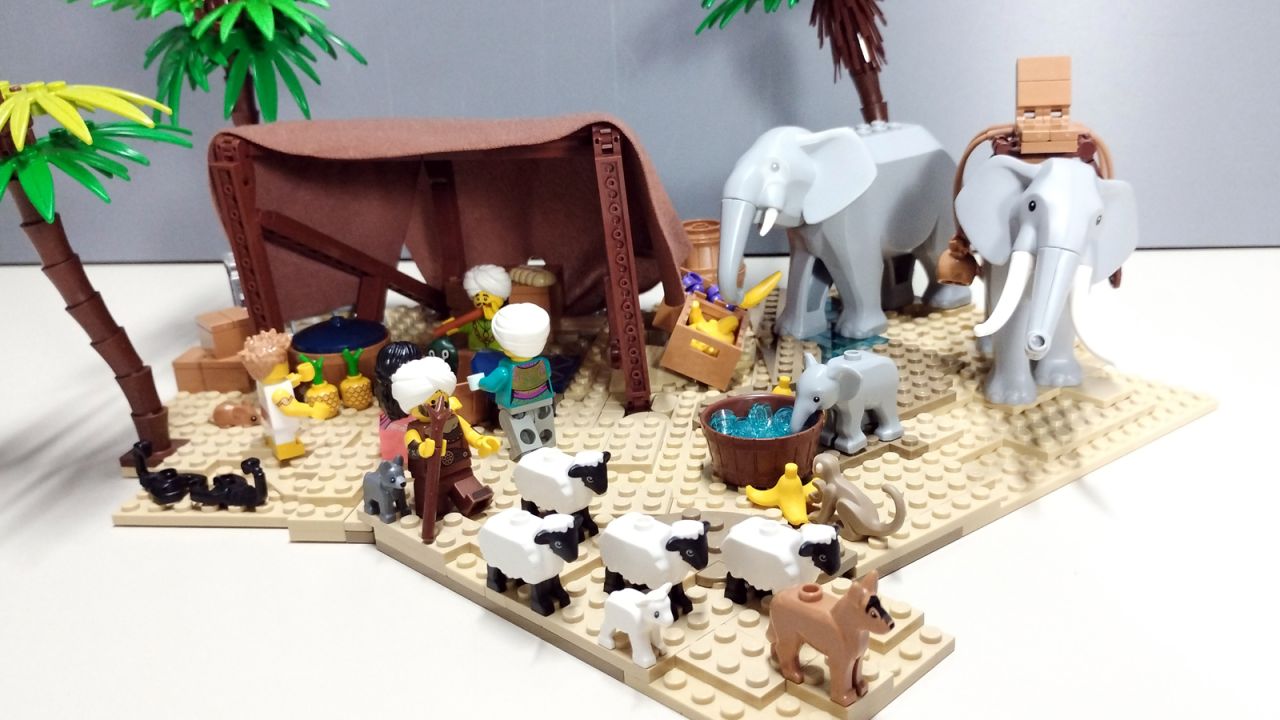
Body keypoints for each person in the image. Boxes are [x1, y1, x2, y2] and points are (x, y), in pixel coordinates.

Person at [391, 357, 498, 529]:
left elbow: (468, 432)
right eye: (432, 404)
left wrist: (481, 441)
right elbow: (412, 446)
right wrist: (423, 449)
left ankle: (469, 504)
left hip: (460, 468)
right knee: (434, 507)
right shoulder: (415, 429)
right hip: (431, 477)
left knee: (472, 494)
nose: (439, 407)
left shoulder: (454, 419)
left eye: (443, 401)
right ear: (414, 406)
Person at [468, 303, 555, 461]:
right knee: (543, 426)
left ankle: (525, 454)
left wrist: (480, 381)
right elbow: (547, 375)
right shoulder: (544, 363)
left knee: (519, 429)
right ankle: (547, 446)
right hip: (543, 402)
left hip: (516, 407)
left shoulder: (505, 370)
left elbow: (491, 385)